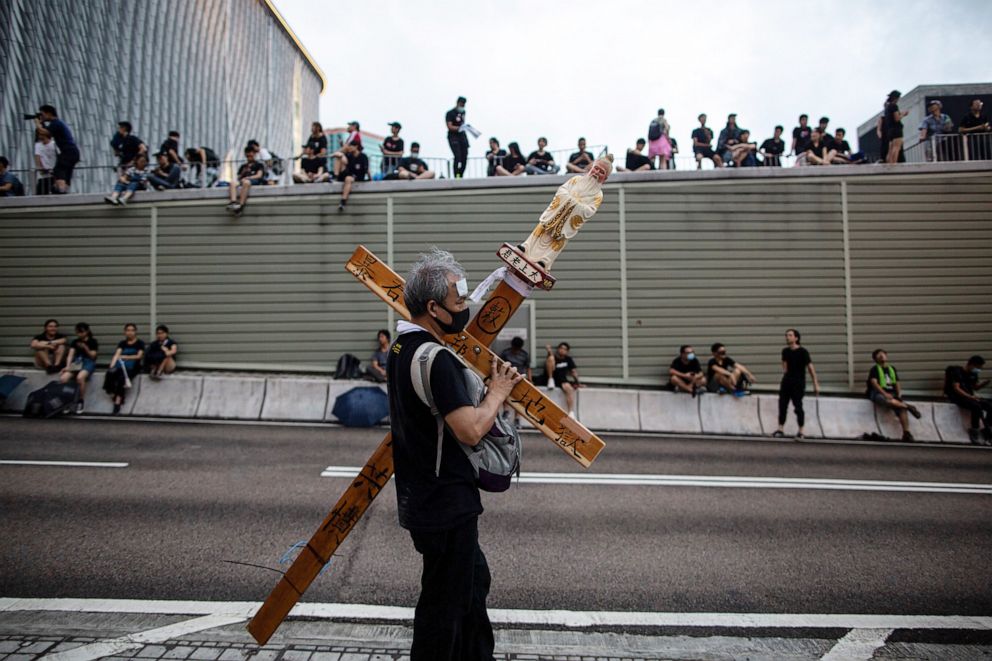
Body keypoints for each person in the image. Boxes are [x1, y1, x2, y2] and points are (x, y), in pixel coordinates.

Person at [386, 247, 521, 661]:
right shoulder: (437, 360)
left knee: (471, 586)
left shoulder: (398, 349)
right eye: (458, 301)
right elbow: (471, 428)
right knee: (444, 607)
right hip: (445, 504)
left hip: (423, 498)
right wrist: (497, 393)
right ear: (433, 308)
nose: (465, 308)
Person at [772, 329, 820, 440]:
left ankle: (801, 431)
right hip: (787, 381)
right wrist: (785, 377)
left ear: (796, 338)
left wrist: (815, 384)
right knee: (782, 405)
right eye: (786, 335)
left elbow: (810, 368)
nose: (787, 337)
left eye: (790, 335)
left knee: (798, 406)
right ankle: (780, 429)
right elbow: (784, 367)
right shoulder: (785, 351)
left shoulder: (803, 352)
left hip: (798, 382)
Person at [866, 349, 922, 442]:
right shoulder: (874, 369)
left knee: (901, 408)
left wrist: (899, 394)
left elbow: (897, 383)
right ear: (875, 359)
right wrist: (885, 393)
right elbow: (874, 383)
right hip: (878, 393)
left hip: (892, 394)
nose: (882, 356)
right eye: (879, 355)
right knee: (884, 399)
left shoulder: (892, 369)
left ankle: (906, 433)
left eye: (883, 354)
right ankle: (908, 406)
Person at [944, 355, 991, 444]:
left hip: (970, 397)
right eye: (977, 367)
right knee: (976, 406)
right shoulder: (957, 372)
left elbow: (975, 387)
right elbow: (956, 388)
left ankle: (988, 428)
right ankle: (974, 429)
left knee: (989, 405)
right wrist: (970, 397)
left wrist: (984, 384)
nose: (978, 370)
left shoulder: (973, 374)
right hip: (958, 397)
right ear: (971, 365)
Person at [103, 323, 146, 415]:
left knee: (121, 379)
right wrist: (112, 365)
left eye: (132, 330)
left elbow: (139, 356)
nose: (130, 332)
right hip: (121, 365)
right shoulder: (122, 343)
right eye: (128, 330)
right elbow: (117, 354)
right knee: (110, 374)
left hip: (133, 367)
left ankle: (117, 402)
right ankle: (114, 395)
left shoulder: (140, 343)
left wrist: (127, 357)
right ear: (125, 332)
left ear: (135, 332)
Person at [35, 104, 79, 193]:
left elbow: (44, 132)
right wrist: (42, 123)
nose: (42, 116)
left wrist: (37, 123)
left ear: (49, 114)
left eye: (42, 114)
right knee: (66, 174)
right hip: (73, 152)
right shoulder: (58, 123)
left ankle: (61, 194)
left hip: (68, 152)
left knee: (59, 171)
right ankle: (63, 190)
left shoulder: (56, 123)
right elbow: (48, 131)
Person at [60, 322, 99, 414]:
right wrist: (68, 366)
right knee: (64, 378)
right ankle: (67, 400)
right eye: (78, 332)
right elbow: (70, 355)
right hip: (77, 361)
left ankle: (80, 401)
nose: (80, 334)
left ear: (87, 331)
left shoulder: (93, 341)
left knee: (80, 377)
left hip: (88, 362)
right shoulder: (75, 342)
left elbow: (93, 356)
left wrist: (86, 348)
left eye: (82, 332)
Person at [499, 337, 532, 428]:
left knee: (519, 398)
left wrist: (530, 380)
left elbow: (528, 367)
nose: (515, 351)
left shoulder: (524, 355)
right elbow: (501, 364)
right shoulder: (505, 353)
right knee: (504, 393)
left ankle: (517, 419)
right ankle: (506, 412)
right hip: (507, 377)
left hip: (520, 378)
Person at [544, 342, 581, 417]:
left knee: (569, 389)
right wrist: (549, 351)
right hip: (552, 378)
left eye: (565, 349)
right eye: (561, 348)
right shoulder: (553, 357)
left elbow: (573, 371)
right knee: (551, 358)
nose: (562, 350)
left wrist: (577, 382)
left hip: (562, 379)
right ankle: (551, 380)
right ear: (558, 349)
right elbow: (550, 359)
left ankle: (571, 412)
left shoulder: (568, 359)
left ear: (567, 351)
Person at [226, 147, 264, 215]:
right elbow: (239, 177)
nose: (249, 155)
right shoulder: (243, 166)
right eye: (247, 154)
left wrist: (248, 177)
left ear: (254, 154)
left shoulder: (259, 165)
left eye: (251, 154)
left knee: (246, 182)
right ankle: (233, 202)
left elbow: (259, 175)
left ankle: (241, 205)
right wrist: (243, 173)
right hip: (243, 180)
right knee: (232, 183)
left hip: (253, 180)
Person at [337, 144, 370, 211]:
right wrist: (344, 149)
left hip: (358, 176)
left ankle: (343, 202)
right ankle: (335, 176)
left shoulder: (363, 156)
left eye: (351, 146)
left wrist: (370, 178)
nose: (349, 148)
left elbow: (366, 169)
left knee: (348, 179)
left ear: (356, 146)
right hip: (349, 174)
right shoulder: (349, 156)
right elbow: (338, 154)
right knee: (339, 157)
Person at [445, 97, 470, 178]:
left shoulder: (463, 112)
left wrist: (466, 127)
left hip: (462, 137)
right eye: (461, 104)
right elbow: (449, 126)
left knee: (464, 156)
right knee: (457, 156)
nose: (462, 106)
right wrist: (459, 128)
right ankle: (456, 175)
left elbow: (463, 122)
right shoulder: (450, 113)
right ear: (457, 103)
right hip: (453, 137)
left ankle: (460, 174)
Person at [883, 90, 909, 164]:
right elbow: (897, 118)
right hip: (896, 129)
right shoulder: (894, 106)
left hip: (890, 130)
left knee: (891, 148)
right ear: (896, 98)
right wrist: (903, 114)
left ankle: (889, 164)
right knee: (896, 147)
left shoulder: (887, 107)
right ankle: (894, 164)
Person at [33, 127, 58, 195]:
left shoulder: (54, 144)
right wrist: (40, 168)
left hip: (54, 173)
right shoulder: (38, 145)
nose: (39, 136)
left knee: (56, 193)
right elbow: (37, 157)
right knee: (40, 193)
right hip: (43, 175)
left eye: (40, 134)